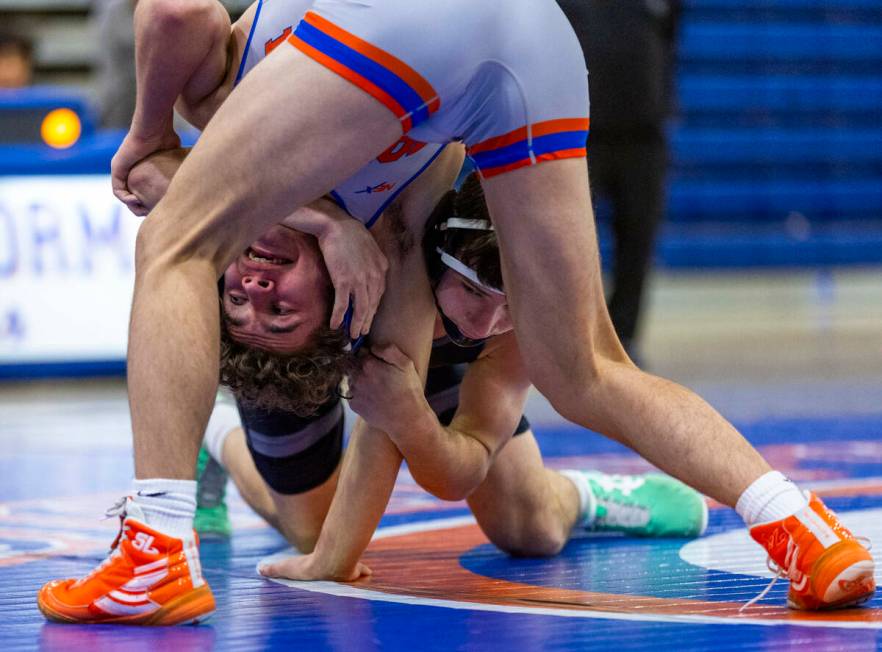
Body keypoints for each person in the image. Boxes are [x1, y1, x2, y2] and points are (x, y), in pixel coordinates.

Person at [39, 0, 874, 626]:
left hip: (411, 29)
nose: (254, 279)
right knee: (588, 369)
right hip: (534, 37)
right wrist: (332, 558)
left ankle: (153, 549)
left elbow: (173, 12)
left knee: (175, 246)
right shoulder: (395, 241)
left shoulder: (225, 105)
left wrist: (148, 133)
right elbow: (384, 405)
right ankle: (801, 525)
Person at [193, 174, 709, 560]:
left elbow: (462, 471)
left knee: (531, 529)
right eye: (471, 291)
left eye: (511, 307)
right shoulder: (401, 209)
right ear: (436, 249)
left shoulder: (536, 297)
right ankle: (219, 434)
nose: (486, 325)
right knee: (312, 531)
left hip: (417, 332)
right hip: (299, 333)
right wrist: (325, 222)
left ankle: (587, 495)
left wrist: (408, 421)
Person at [558, 0, 681, 360]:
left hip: (645, 135)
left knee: (638, 241)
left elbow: (669, 37)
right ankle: (574, 338)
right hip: (581, 133)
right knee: (570, 241)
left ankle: (623, 339)